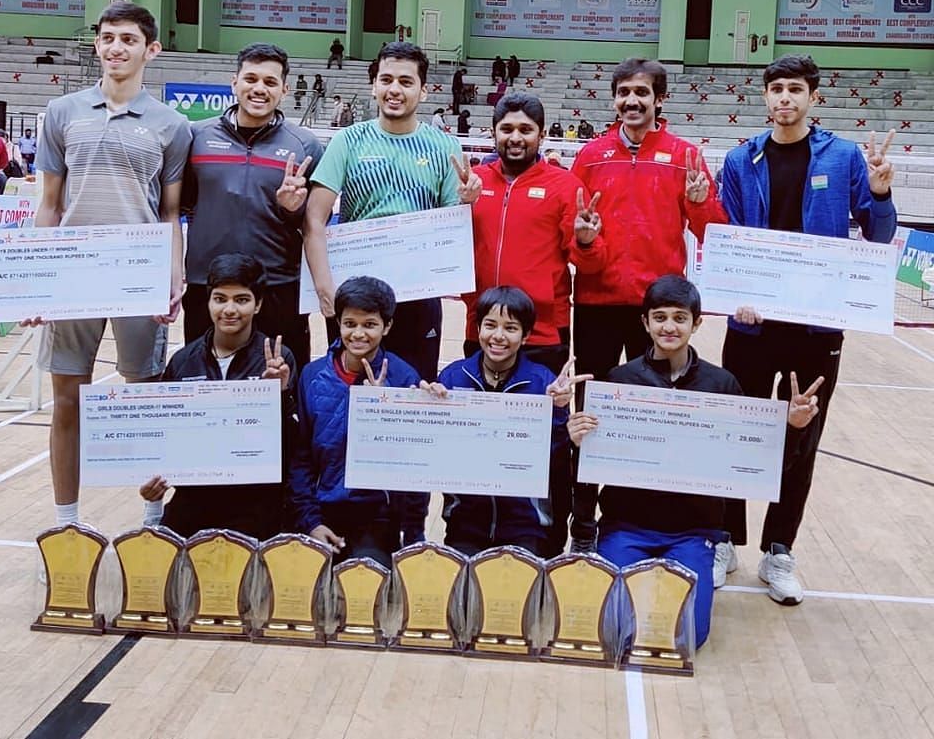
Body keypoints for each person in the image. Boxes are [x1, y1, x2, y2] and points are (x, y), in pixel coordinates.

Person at [715, 54, 897, 604]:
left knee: (801, 438)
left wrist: (882, 192)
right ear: (765, 98)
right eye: (776, 89)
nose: (784, 98)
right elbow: (725, 237)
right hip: (752, 327)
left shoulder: (843, 158)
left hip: (816, 330)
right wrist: (731, 298)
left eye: (795, 89)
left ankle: (779, 550)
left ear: (813, 97)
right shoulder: (739, 158)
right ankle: (723, 538)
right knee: (736, 432)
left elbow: (879, 232)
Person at [567, 275, 823, 647]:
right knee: (614, 628)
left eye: (679, 318)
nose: (669, 326)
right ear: (645, 323)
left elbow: (758, 468)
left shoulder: (722, 386)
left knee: (688, 636)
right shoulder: (618, 382)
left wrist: (793, 428)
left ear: (697, 323)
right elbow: (590, 468)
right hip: (626, 528)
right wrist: (577, 445)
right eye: (659, 317)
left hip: (692, 533)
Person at [29, 1, 191, 526]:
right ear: (97, 45)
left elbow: (169, 212)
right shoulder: (62, 113)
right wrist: (39, 281)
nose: (116, 48)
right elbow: (49, 205)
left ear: (151, 50)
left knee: (144, 401)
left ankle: (150, 520)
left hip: (136, 277)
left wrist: (173, 278)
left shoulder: (172, 125)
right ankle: (66, 522)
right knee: (67, 400)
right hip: (74, 273)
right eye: (108, 38)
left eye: (128, 39)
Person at [568, 57, 726, 552]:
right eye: (623, 93)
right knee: (589, 417)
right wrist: (589, 244)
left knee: (656, 418)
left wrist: (699, 202)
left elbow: (711, 232)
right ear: (614, 99)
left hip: (659, 316)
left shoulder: (685, 156)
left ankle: (651, 519)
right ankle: (583, 525)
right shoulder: (591, 156)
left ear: (660, 99)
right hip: (595, 303)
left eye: (641, 92)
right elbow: (576, 238)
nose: (632, 101)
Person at [303, 42, 482, 382]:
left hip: (419, 296)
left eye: (405, 81)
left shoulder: (444, 146)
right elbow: (315, 218)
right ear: (374, 86)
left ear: (423, 91)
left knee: (413, 392)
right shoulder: (348, 141)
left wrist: (466, 202)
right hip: (355, 295)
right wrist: (326, 291)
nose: (394, 90)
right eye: (386, 80)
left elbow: (450, 227)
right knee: (350, 394)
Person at [180, 42, 324, 375]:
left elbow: (315, 222)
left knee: (281, 384)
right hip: (208, 286)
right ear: (235, 83)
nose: (259, 89)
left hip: (278, 286)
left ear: (285, 90)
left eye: (270, 82)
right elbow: (178, 207)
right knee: (203, 384)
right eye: (251, 79)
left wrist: (291, 209)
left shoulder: (305, 146)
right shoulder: (195, 138)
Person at [138, 254, 297, 539]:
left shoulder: (277, 359)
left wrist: (280, 395)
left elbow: (292, 446)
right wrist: (152, 490)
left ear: (258, 304)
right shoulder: (183, 361)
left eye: (242, 299)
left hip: (256, 499)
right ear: (209, 302)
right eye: (220, 299)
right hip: (196, 497)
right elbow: (164, 438)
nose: (229, 309)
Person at [422, 286, 574, 557]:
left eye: (511, 328)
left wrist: (559, 411)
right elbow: (435, 453)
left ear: (526, 335)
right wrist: (431, 410)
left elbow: (556, 457)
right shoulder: (453, 378)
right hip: (465, 522)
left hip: (525, 525)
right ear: (477, 328)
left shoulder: (542, 382)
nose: (498, 336)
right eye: (490, 325)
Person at [287, 276, 425, 568]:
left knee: (365, 587)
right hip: (322, 512)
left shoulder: (404, 379)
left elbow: (415, 465)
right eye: (350, 323)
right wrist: (310, 522)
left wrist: (414, 536)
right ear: (338, 323)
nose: (358, 334)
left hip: (378, 515)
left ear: (387, 326)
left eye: (370, 325)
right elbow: (301, 459)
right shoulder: (312, 376)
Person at [466, 93, 604, 375]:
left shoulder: (565, 186)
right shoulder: (473, 183)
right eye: (506, 129)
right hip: (483, 326)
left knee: (545, 417)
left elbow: (592, 263)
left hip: (543, 331)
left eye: (525, 130)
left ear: (541, 136)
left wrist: (585, 241)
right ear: (494, 133)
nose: (515, 138)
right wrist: (460, 207)